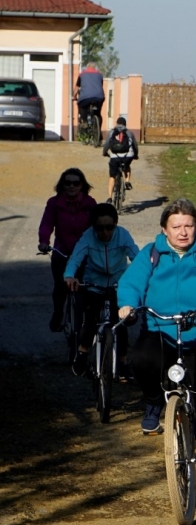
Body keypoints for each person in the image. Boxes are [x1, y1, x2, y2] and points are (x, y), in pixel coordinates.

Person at [118, 198, 196, 489]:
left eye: (189, 225)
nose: (183, 232)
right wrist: (127, 305)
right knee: (142, 359)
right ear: (165, 229)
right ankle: (152, 402)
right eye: (176, 226)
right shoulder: (151, 254)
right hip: (160, 331)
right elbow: (132, 282)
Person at [64, 203, 140, 377]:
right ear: (93, 226)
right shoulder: (87, 237)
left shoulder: (123, 236)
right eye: (100, 228)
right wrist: (69, 276)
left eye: (109, 227)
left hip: (118, 283)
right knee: (90, 321)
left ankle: (122, 363)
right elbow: (76, 258)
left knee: (120, 324)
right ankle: (82, 354)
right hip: (94, 283)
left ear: (116, 224)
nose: (105, 232)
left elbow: (137, 257)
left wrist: (142, 277)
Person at [38, 168, 97, 332]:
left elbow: (97, 226)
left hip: (84, 253)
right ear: (62, 185)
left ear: (82, 185)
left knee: (85, 288)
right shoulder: (54, 203)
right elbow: (47, 224)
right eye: (67, 183)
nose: (71, 186)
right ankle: (58, 313)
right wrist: (44, 241)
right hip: (61, 251)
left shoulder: (90, 203)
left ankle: (86, 319)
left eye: (76, 183)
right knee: (60, 286)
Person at [102, 116, 139, 202]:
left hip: (115, 156)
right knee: (127, 166)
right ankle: (127, 181)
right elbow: (135, 146)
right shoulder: (129, 133)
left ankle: (110, 197)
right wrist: (135, 155)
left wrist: (104, 153)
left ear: (116, 123)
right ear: (125, 124)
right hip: (127, 156)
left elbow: (107, 144)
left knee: (112, 176)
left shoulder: (112, 132)